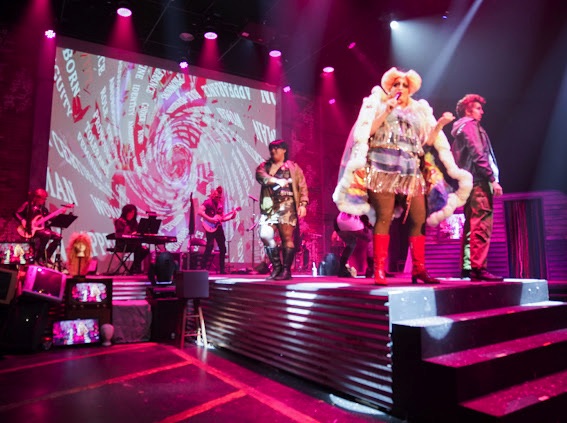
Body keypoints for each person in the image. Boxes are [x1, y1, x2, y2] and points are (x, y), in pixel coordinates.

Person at [334, 67, 471, 285]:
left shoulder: (417, 112)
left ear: (410, 89)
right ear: (389, 88)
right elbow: (367, 132)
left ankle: (419, 269)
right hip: (382, 169)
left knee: (418, 217)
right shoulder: (378, 105)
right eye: (396, 84)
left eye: (404, 85)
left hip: (410, 171)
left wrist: (440, 125)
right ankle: (379, 270)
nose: (400, 88)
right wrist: (386, 110)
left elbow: (426, 141)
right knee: (384, 217)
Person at [451, 94, 504, 281]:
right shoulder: (471, 126)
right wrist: (492, 179)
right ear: (468, 110)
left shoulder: (459, 129)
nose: (482, 112)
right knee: (481, 225)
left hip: (468, 182)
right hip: (479, 181)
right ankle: (478, 268)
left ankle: (468, 267)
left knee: (471, 224)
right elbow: (478, 153)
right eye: (478, 108)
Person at [256, 139, 309, 280]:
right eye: (271, 148)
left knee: (286, 237)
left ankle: (286, 270)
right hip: (269, 206)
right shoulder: (265, 166)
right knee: (265, 234)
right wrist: (276, 181)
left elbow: (302, 185)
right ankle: (277, 267)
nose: (273, 151)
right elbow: (260, 176)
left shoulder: (293, 167)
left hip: (287, 204)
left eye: (277, 148)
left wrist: (303, 204)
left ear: (284, 150)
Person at [14, 188, 62, 265]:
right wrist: (22, 220)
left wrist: (60, 213)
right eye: (43, 198)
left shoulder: (43, 209)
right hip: (29, 229)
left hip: (40, 229)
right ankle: (37, 257)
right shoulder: (28, 205)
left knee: (58, 237)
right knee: (46, 234)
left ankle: (46, 256)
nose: (44, 200)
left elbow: (50, 218)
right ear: (37, 198)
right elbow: (16, 213)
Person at [197, 186, 232, 274]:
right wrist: (210, 219)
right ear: (213, 195)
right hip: (210, 227)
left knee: (223, 247)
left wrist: (231, 217)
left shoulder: (220, 204)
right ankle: (203, 267)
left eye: (219, 197)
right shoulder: (208, 202)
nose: (218, 198)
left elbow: (222, 218)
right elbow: (199, 211)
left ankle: (222, 269)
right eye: (217, 197)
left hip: (218, 227)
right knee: (210, 246)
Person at [333, 212, 373, 277]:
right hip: (351, 221)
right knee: (372, 237)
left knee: (351, 243)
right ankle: (371, 268)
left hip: (338, 223)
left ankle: (342, 268)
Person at [113, 204, 149, 274]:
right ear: (126, 212)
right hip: (122, 244)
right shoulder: (120, 221)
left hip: (132, 244)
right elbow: (121, 235)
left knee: (145, 250)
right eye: (130, 212)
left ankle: (133, 269)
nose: (132, 214)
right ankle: (135, 270)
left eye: (133, 212)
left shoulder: (134, 222)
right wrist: (131, 233)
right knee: (138, 248)